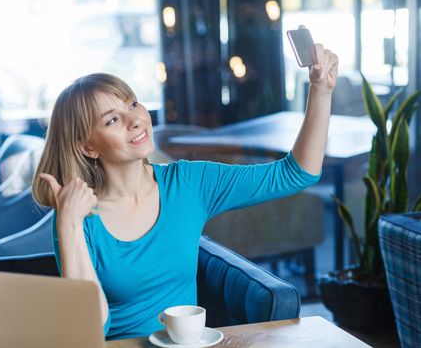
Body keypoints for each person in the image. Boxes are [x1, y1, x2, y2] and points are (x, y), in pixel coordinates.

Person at [32, 44, 338, 340]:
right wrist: (69, 224)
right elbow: (91, 330)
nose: (135, 120)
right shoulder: (77, 215)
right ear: (88, 147)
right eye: (112, 119)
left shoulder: (190, 183)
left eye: (133, 104)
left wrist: (321, 91)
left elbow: (295, 174)